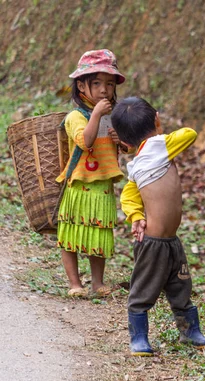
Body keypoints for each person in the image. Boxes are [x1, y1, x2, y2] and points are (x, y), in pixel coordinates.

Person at [111, 97, 205, 356]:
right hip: (155, 244)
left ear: (124, 143)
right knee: (144, 289)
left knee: (180, 286)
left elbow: (128, 196)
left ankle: (188, 331)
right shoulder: (163, 145)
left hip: (170, 242)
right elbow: (190, 133)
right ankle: (139, 339)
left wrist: (135, 215)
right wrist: (160, 131)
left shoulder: (137, 163)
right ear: (156, 120)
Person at [56, 49, 130, 298]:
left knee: (98, 235)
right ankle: (75, 284)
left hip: (104, 186)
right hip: (79, 185)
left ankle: (98, 283)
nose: (104, 90)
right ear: (80, 86)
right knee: (71, 234)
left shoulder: (114, 116)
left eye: (109, 84)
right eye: (96, 83)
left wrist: (121, 140)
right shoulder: (76, 116)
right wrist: (96, 114)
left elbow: (127, 147)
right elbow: (85, 142)